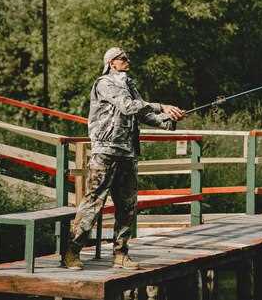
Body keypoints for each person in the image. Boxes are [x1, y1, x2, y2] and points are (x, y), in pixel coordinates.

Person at [63, 47, 185, 270]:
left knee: (127, 205)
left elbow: (142, 113)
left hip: (128, 152)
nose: (127, 61)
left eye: (127, 58)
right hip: (106, 152)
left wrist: (166, 119)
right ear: (111, 63)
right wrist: (161, 105)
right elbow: (127, 106)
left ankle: (120, 254)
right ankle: (71, 253)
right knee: (93, 202)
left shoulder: (129, 85)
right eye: (122, 58)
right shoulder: (104, 83)